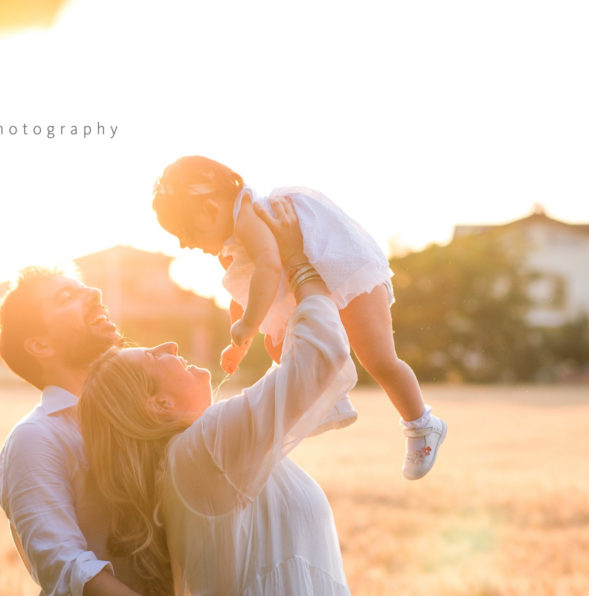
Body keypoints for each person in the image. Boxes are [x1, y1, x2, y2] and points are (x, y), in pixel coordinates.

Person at [77, 205, 363, 596]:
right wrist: (296, 262)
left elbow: (310, 385)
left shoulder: (207, 450)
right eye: (153, 357)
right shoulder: (203, 449)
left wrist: (278, 315)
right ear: (158, 406)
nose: (170, 346)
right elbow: (322, 355)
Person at [0, 268, 275, 596]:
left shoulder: (148, 415)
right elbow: (69, 572)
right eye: (66, 296)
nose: (93, 291)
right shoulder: (37, 439)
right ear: (40, 344)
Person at [152, 155, 446, 479]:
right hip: (310, 280)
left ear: (209, 208)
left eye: (185, 231)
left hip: (344, 269)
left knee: (378, 359)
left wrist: (249, 324)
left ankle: (422, 424)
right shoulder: (233, 239)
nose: (184, 244)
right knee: (278, 348)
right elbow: (244, 290)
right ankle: (328, 398)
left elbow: (268, 266)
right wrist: (241, 340)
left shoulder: (249, 215)